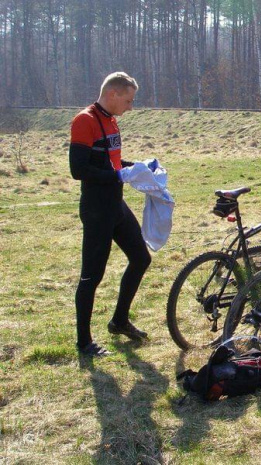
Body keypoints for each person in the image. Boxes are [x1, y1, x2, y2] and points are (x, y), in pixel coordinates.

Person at [69, 72, 151, 356]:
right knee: (92, 275)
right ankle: (84, 342)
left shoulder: (112, 121)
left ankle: (119, 321)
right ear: (113, 94)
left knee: (141, 258)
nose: (130, 106)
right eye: (128, 100)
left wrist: (139, 167)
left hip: (116, 204)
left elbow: (111, 162)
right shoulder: (85, 121)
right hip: (96, 208)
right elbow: (78, 170)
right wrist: (119, 174)